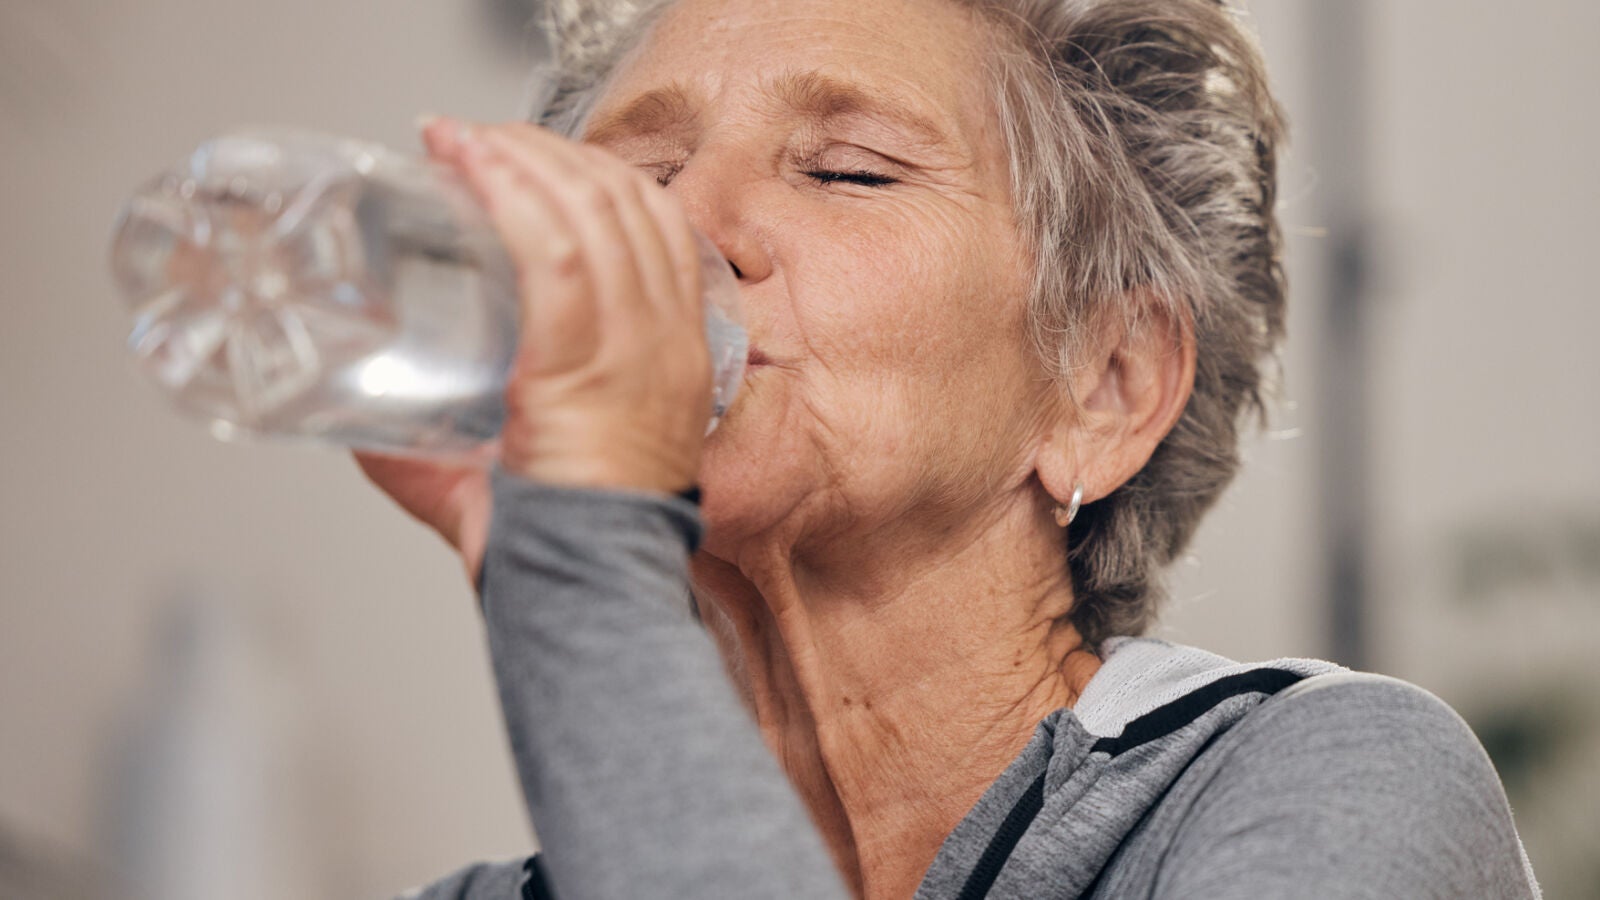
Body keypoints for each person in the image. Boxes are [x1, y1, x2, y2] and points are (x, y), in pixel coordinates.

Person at [359, 0, 1542, 896]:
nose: (682, 226)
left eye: (846, 170)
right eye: (634, 183)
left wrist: (575, 571)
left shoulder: (1321, 779)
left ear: (1106, 385)